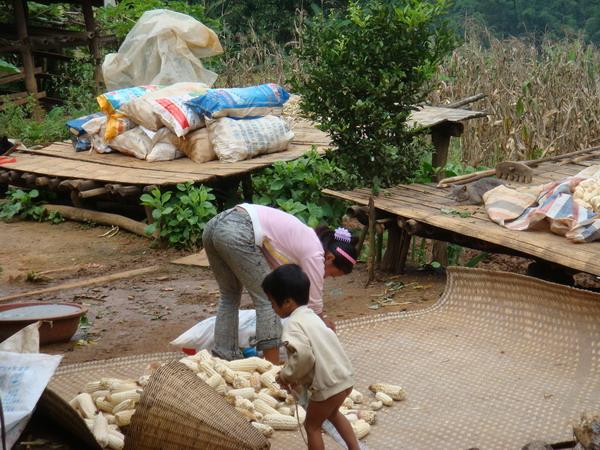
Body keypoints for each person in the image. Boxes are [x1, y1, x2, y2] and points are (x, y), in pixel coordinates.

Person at [202, 203, 357, 364]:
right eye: (332, 274)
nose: (326, 277)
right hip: (237, 230)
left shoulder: (303, 240)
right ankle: (272, 366)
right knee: (268, 300)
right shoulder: (315, 253)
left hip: (215, 225)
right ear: (330, 258)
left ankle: (224, 356)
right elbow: (314, 305)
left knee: (229, 296)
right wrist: (323, 326)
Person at [262, 264, 360, 450]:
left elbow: (304, 356)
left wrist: (286, 375)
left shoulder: (292, 324)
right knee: (334, 414)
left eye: (272, 302)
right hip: (345, 379)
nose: (272, 307)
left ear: (288, 302)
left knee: (312, 426)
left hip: (328, 385)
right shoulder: (312, 316)